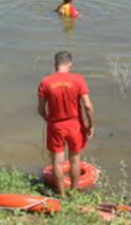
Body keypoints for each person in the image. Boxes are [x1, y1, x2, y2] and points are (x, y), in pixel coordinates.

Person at [37, 51, 95, 196]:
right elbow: (88, 106)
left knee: (57, 162)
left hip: (56, 126)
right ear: (70, 64)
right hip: (75, 125)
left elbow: (40, 109)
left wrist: (48, 119)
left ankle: (61, 194)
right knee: (75, 160)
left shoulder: (45, 82)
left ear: (55, 65)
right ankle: (74, 194)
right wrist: (91, 125)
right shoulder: (78, 79)